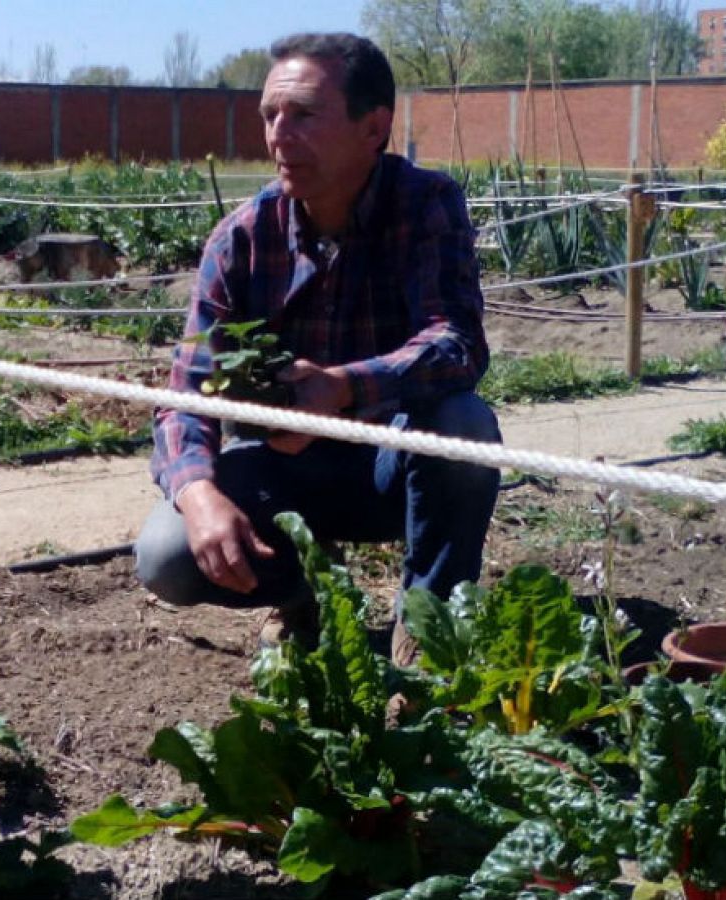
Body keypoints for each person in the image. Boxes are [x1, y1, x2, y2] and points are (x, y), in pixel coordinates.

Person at [133, 32, 501, 667]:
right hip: (285, 471)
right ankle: (305, 593)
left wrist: (342, 387)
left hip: (392, 462)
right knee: (167, 555)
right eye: (270, 116)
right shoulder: (243, 238)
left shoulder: (425, 206)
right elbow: (183, 398)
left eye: (303, 114)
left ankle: (428, 623)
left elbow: (457, 342)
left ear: (373, 127)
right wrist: (199, 497)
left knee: (465, 428)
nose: (278, 134)